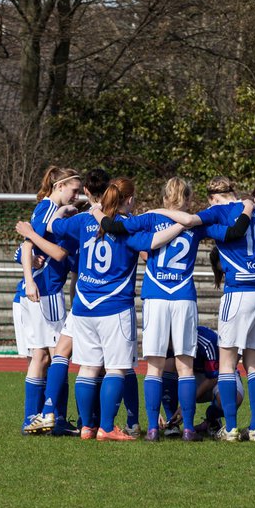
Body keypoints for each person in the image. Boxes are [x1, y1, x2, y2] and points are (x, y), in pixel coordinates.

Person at [29, 177, 184, 440]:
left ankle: (87, 426)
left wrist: (63, 210)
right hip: (114, 306)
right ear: (130, 199)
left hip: (84, 306)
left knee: (87, 368)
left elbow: (52, 225)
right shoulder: (128, 227)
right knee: (116, 369)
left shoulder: (83, 220)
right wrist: (182, 223)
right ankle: (107, 427)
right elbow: (155, 242)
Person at [94, 177, 231, 441]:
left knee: (154, 367)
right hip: (183, 297)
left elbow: (116, 228)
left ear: (164, 197)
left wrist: (98, 211)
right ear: (189, 199)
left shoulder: (149, 218)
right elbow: (227, 232)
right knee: (185, 367)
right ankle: (189, 427)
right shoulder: (196, 222)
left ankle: (153, 428)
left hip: (156, 296)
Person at [154, 177, 255, 441]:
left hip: (241, 288)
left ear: (212, 197)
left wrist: (157, 211)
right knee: (254, 362)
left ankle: (231, 428)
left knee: (228, 362)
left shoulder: (217, 211)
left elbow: (187, 222)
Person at [12, 166, 81, 435]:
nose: (76, 195)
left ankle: (43, 418)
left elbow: (26, 246)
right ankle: (48, 418)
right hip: (44, 293)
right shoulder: (47, 209)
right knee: (52, 355)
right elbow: (28, 244)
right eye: (74, 190)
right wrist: (30, 280)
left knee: (46, 356)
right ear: (59, 186)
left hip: (44, 291)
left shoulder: (53, 210)